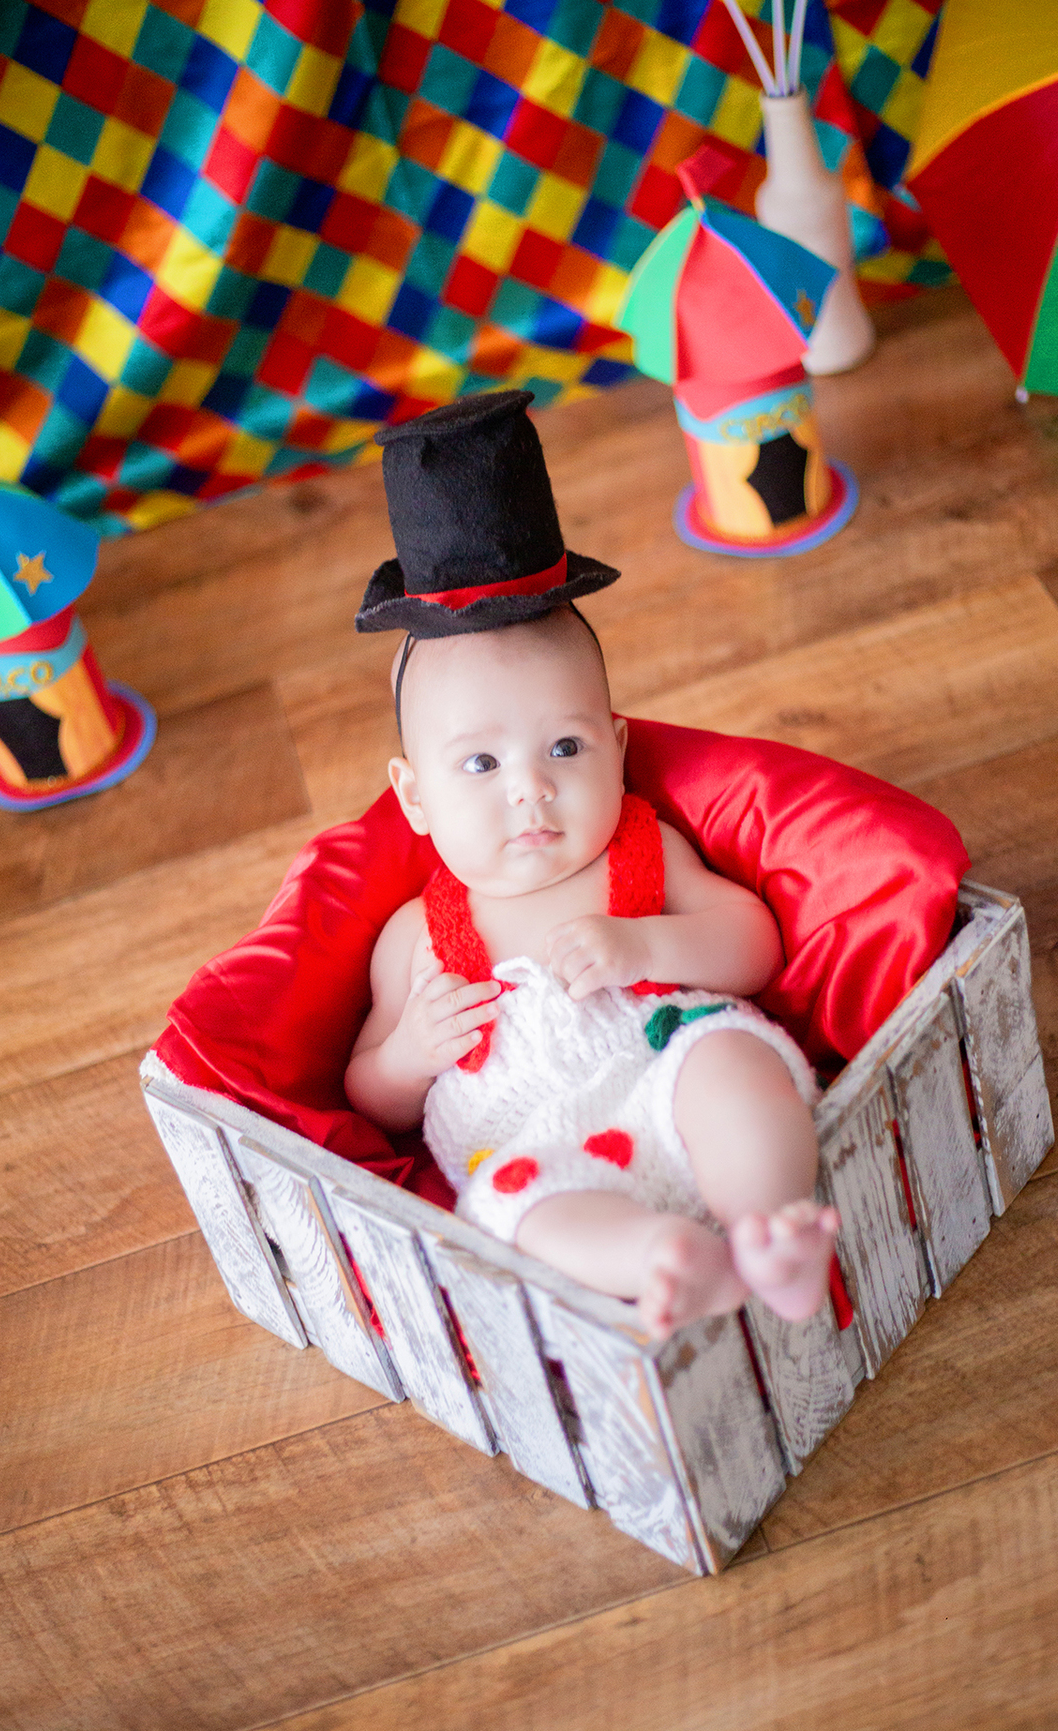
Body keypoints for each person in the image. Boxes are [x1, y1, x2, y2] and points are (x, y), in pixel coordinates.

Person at [345, 390, 839, 1339]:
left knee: (733, 1065)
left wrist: (642, 942)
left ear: (616, 746)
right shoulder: (418, 936)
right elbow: (368, 1084)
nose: (529, 792)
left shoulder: (639, 851)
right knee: (519, 1207)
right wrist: (411, 1054)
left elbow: (753, 945)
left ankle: (770, 1225)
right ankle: (663, 1259)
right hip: (535, 1142)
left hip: (665, 1072)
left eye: (564, 750)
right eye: (481, 765)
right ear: (414, 798)